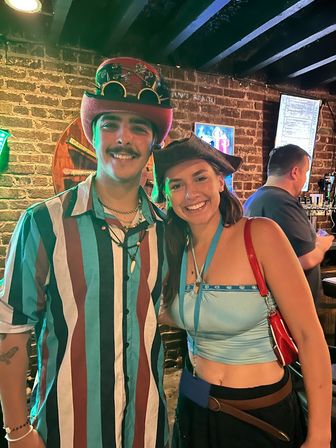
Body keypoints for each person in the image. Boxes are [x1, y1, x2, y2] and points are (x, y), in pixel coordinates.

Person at [0, 57, 173, 448]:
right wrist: (17, 430)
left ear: (153, 143)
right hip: (65, 432)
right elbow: (10, 334)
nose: (123, 138)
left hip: (148, 431)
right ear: (93, 134)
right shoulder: (43, 223)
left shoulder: (166, 230)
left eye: (138, 127)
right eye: (110, 124)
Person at [153, 133, 332, 448]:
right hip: (195, 402)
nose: (190, 193)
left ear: (220, 181)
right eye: (176, 185)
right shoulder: (171, 248)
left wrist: (319, 435)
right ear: (167, 194)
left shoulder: (260, 236)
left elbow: (309, 335)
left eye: (200, 178)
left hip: (259, 412)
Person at [244, 144, 334, 302]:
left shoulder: (254, 199)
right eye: (305, 173)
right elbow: (306, 259)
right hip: (291, 307)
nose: (305, 179)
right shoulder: (282, 202)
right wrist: (322, 243)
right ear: (295, 172)